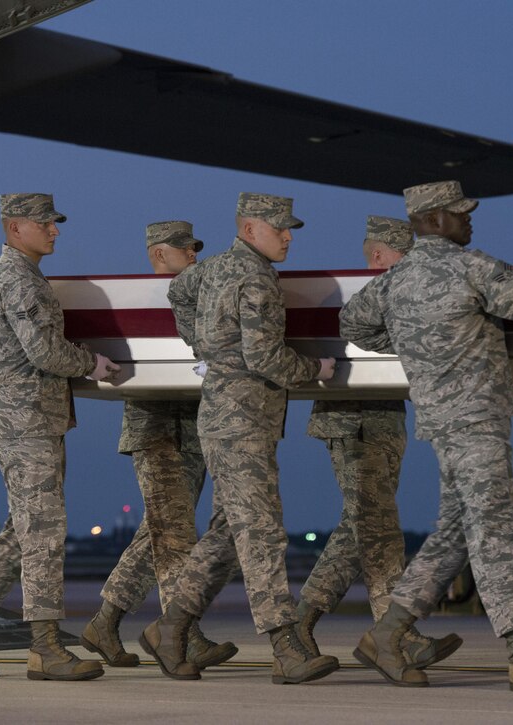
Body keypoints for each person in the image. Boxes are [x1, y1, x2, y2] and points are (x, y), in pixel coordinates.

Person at [339, 180, 513, 693]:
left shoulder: (393, 282)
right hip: (477, 418)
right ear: (432, 220)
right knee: (495, 528)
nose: (470, 219)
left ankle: (386, 636)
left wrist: (413, 345)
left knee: (454, 532)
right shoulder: (472, 267)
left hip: (439, 421)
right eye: (459, 212)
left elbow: (352, 323)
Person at [142, 192, 338, 684]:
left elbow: (177, 293)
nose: (289, 236)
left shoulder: (212, 269)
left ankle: (169, 629)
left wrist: (202, 343)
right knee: (262, 532)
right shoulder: (255, 277)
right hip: (243, 422)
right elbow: (266, 358)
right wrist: (316, 369)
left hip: (224, 417)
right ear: (251, 229)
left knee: (230, 535)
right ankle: (284, 645)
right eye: (280, 228)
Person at [0, 193, 120, 681]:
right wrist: (92, 364)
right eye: (46, 224)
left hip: (18, 418)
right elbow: (46, 353)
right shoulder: (22, 282)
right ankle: (44, 649)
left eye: (55, 223)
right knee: (44, 532)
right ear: (16, 227)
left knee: (25, 528)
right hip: (29, 423)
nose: (55, 230)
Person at [297, 216, 461, 669]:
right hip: (352, 421)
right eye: (402, 256)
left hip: (386, 419)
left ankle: (301, 624)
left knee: (360, 527)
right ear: (377, 256)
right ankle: (394, 635)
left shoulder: (402, 294)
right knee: (378, 527)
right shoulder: (359, 296)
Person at [80, 221, 236, 672]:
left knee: (160, 530)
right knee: (174, 535)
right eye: (185, 250)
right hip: (156, 428)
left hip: (191, 426)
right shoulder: (138, 302)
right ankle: (182, 635)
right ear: (158, 254)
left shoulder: (200, 297)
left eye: (195, 250)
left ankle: (105, 622)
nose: (194, 256)